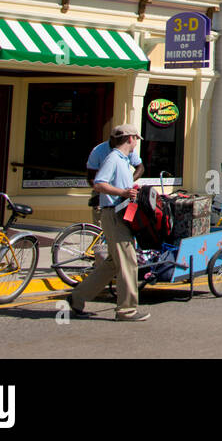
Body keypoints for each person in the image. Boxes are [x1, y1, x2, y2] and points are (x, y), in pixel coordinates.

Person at [70, 126, 149, 322]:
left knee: (114, 262)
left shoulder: (122, 160)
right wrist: (122, 193)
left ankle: (77, 297)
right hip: (113, 215)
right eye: (136, 139)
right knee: (128, 261)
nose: (136, 142)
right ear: (130, 138)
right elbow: (99, 183)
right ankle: (126, 310)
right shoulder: (113, 158)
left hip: (121, 215)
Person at [86, 129, 145, 220]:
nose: (136, 143)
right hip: (106, 200)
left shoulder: (127, 152)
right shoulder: (106, 154)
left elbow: (140, 167)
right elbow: (93, 178)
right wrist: (101, 191)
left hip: (122, 200)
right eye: (134, 139)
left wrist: (127, 182)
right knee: (105, 228)